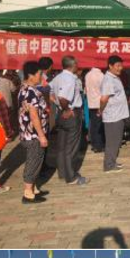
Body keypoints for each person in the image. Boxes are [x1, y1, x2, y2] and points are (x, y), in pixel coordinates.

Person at [50, 55, 88, 185]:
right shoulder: (70, 79)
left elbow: (49, 91)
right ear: (73, 65)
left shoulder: (57, 77)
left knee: (62, 146)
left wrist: (58, 105)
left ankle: (63, 172)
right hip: (71, 113)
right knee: (71, 147)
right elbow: (63, 98)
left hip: (61, 113)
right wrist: (66, 109)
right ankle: (71, 176)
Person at [18, 61, 50, 204]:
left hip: (28, 132)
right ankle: (27, 193)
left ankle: (33, 188)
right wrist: (41, 136)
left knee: (36, 160)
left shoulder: (25, 89)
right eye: (39, 74)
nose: (41, 76)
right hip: (33, 134)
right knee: (33, 161)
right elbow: (34, 115)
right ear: (31, 75)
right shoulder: (31, 92)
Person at [99, 55, 130, 173]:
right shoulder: (108, 79)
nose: (120, 68)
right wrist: (101, 110)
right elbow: (103, 99)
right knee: (112, 142)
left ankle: (112, 161)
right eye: (117, 66)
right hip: (113, 117)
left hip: (118, 115)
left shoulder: (115, 78)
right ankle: (108, 165)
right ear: (110, 66)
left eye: (121, 65)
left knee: (116, 141)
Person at [85, 66, 105, 153]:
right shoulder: (101, 75)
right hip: (99, 104)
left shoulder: (87, 75)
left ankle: (94, 144)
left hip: (91, 103)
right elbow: (104, 90)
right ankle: (99, 145)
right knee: (99, 126)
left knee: (93, 125)